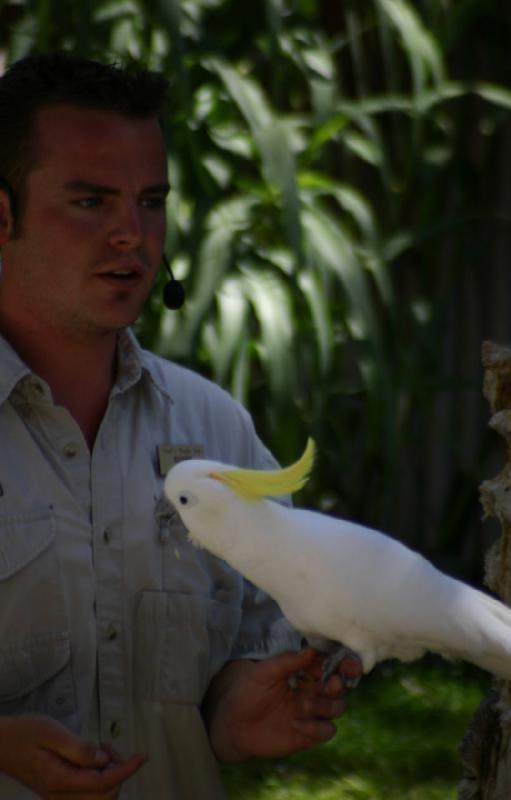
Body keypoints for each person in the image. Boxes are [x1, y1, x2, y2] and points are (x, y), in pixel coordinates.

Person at [0, 53, 359, 799]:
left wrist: (231, 715)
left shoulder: (213, 427)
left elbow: (266, 637)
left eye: (151, 200)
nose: (133, 234)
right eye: (91, 202)